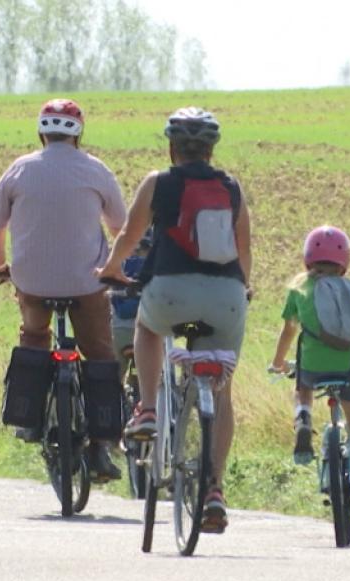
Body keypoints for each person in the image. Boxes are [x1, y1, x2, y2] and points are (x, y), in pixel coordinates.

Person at [97, 107, 251, 533]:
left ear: (171, 147)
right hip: (226, 298)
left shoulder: (157, 182)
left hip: (169, 292)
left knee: (148, 328)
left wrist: (111, 268)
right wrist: (242, 289)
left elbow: (130, 234)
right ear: (212, 149)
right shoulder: (231, 187)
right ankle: (215, 488)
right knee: (221, 391)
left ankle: (146, 409)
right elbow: (244, 250)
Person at [0, 98, 127, 482]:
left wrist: (0, 268)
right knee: (98, 352)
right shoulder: (96, 170)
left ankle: (29, 420)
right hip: (87, 282)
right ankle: (100, 446)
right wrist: (117, 268)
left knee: (34, 334)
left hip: (31, 281)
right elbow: (120, 228)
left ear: (41, 131)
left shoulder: (20, 169)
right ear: (79, 134)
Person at [269, 225, 350, 523]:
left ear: (307, 259)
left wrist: (278, 362)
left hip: (312, 369)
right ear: (344, 261)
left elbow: (289, 331)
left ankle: (303, 417)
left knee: (303, 382)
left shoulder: (299, 288)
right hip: (349, 371)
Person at [110, 233, 152, 371]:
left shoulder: (118, 263)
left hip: (118, 331)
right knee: (155, 376)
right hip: (147, 333)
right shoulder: (156, 266)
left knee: (113, 379)